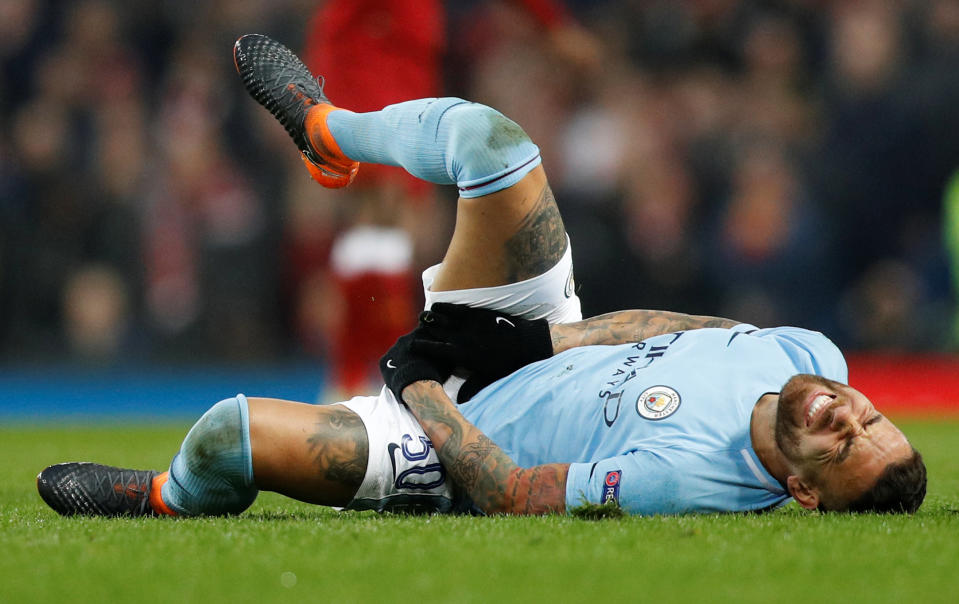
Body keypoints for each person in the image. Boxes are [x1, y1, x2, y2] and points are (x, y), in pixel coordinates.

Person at [37, 35, 925, 518]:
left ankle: (164, 497)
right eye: (870, 419)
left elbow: (508, 492)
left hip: (446, 439)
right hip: (529, 334)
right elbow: (669, 328)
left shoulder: (692, 481)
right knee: (491, 140)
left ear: (802, 491)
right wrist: (535, 334)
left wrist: (424, 388)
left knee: (226, 436)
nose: (845, 415)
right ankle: (327, 131)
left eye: (843, 447)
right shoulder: (810, 352)